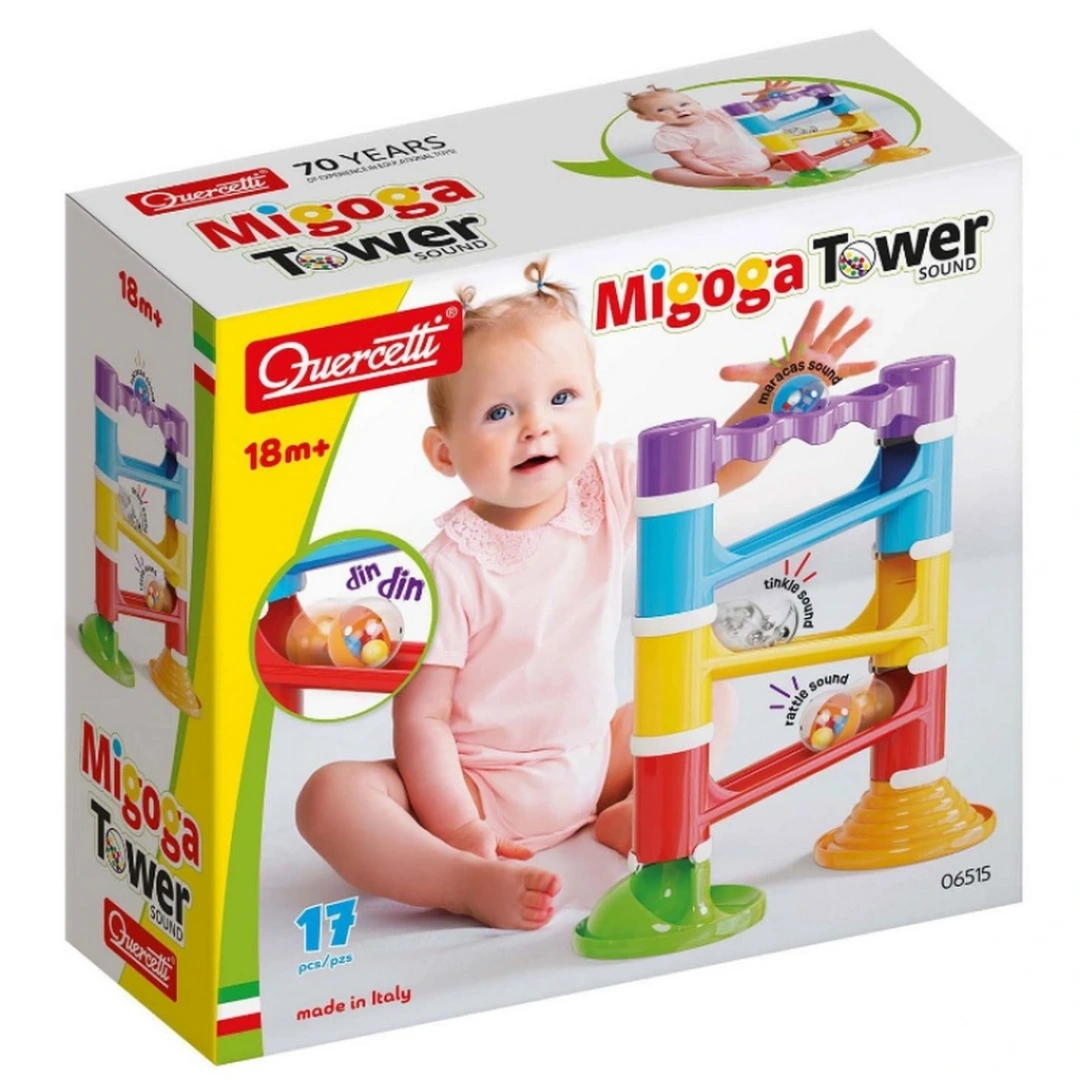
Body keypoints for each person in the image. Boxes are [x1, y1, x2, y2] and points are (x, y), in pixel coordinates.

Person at [296, 258, 873, 930]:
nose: (536, 426)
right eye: (500, 412)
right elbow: (422, 719)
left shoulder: (608, 485)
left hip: (595, 764)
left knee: (709, 692)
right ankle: (462, 880)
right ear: (444, 452)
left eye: (562, 398)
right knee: (329, 796)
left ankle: (639, 811)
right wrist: (459, 827)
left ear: (596, 402)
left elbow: (716, 465)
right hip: (478, 789)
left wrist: (782, 393)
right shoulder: (446, 569)